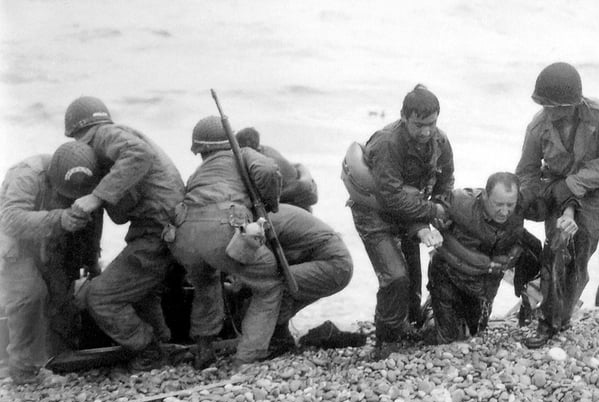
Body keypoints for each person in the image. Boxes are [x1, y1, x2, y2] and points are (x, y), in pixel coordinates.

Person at [169, 116, 353, 369]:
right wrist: (269, 204)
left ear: (200, 150)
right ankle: (247, 358)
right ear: (230, 140)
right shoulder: (241, 154)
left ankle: (204, 351)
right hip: (224, 227)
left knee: (206, 284)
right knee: (270, 284)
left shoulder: (199, 173)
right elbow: (267, 170)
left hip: (183, 234)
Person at [64, 96, 185, 371]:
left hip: (157, 231)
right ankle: (163, 345)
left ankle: (149, 350)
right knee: (141, 292)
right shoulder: (116, 137)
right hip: (161, 228)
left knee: (100, 298)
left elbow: (138, 154)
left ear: (78, 132)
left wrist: (96, 197)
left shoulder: (105, 135)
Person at [516, 62, 599, 349]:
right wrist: (524, 202)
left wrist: (573, 187)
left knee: (579, 250)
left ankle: (558, 316)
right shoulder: (538, 126)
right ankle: (549, 316)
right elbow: (526, 172)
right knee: (556, 246)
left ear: (574, 103)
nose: (550, 112)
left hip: (595, 193)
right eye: (545, 105)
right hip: (556, 188)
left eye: (556, 106)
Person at [348, 84, 454, 359]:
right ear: (404, 117)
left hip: (412, 211)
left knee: (413, 278)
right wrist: (432, 212)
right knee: (395, 276)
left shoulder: (440, 141)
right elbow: (392, 198)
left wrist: (441, 205)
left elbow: (446, 179)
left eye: (431, 123)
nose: (426, 131)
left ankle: (409, 321)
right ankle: (386, 338)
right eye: (419, 125)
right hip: (374, 212)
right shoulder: (387, 144)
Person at [0, 142, 103, 384]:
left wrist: (90, 260)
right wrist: (60, 218)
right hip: (12, 237)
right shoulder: (27, 175)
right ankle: (24, 370)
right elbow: (10, 219)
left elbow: (93, 219)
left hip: (50, 237)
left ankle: (59, 358)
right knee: (29, 294)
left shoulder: (88, 180)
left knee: (61, 296)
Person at [424, 172, 537, 344]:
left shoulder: (521, 208)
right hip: (449, 275)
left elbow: (548, 203)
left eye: (510, 205)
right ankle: (431, 308)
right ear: (484, 195)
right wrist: (429, 230)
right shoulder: (460, 201)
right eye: (498, 204)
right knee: (448, 337)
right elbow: (428, 209)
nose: (504, 211)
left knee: (476, 330)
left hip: (484, 283)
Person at [235, 127, 318, 211]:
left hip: (295, 201)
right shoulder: (265, 149)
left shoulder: (264, 162)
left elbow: (270, 195)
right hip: (299, 193)